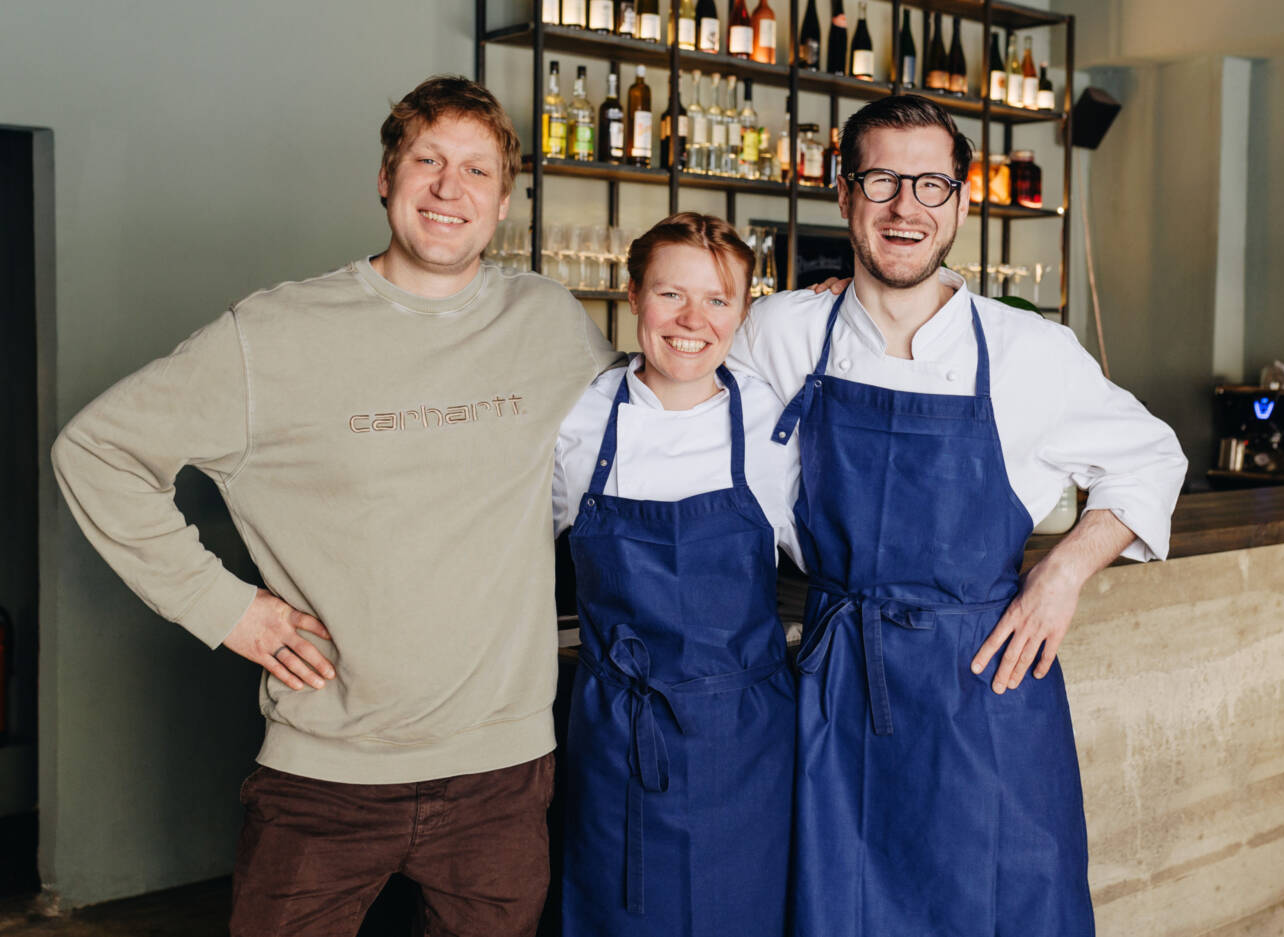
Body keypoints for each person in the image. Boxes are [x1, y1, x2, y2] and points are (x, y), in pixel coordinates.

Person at [51, 76, 620, 937]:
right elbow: (94, 450)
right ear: (386, 178)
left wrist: (805, 321)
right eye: (427, 160)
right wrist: (224, 607)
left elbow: (657, 407)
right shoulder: (273, 334)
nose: (448, 187)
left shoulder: (548, 322)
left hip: (502, 774)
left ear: (503, 201)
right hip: (323, 777)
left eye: (475, 169)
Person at [729, 94, 1189, 936]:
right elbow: (680, 387)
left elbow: (1152, 456)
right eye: (881, 181)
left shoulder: (1028, 352)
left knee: (1007, 904)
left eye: (931, 184)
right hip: (838, 689)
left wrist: (1063, 572)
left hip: (985, 685)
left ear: (963, 202)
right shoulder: (780, 329)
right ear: (843, 194)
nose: (906, 207)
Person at [551, 212, 803, 937]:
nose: (693, 320)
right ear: (632, 296)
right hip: (615, 731)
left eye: (718, 300)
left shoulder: (774, 423)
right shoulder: (578, 419)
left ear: (743, 312)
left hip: (744, 742)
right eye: (670, 295)